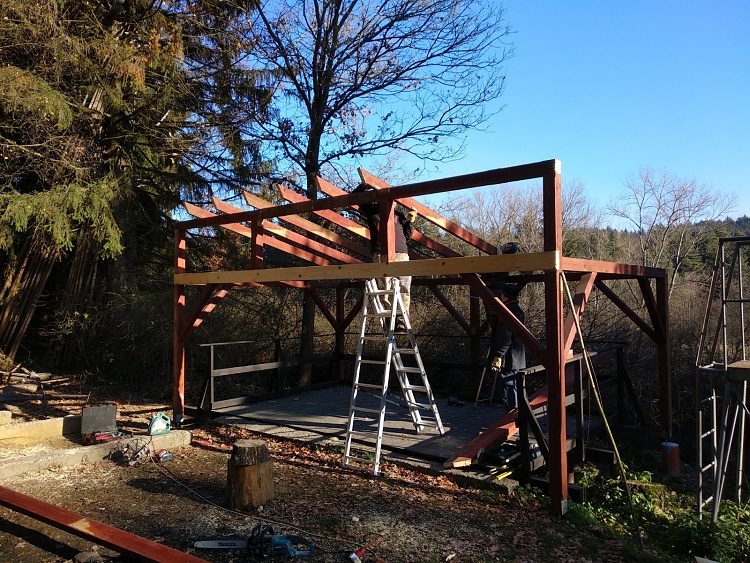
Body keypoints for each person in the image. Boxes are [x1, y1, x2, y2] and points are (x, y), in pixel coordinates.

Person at [353, 184, 416, 332]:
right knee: (385, 289)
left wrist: (410, 222)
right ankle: (389, 319)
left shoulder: (398, 214)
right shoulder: (373, 210)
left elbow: (406, 236)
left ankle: (401, 321)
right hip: (381, 253)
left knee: (403, 287)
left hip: (401, 253)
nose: (393, 203)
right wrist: (365, 185)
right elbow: (354, 197)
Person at [488, 283, 526, 410]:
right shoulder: (519, 311)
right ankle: (519, 415)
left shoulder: (505, 312)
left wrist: (498, 356)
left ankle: (513, 418)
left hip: (509, 358)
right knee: (516, 387)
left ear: (504, 295)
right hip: (518, 357)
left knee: (508, 388)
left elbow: (505, 338)